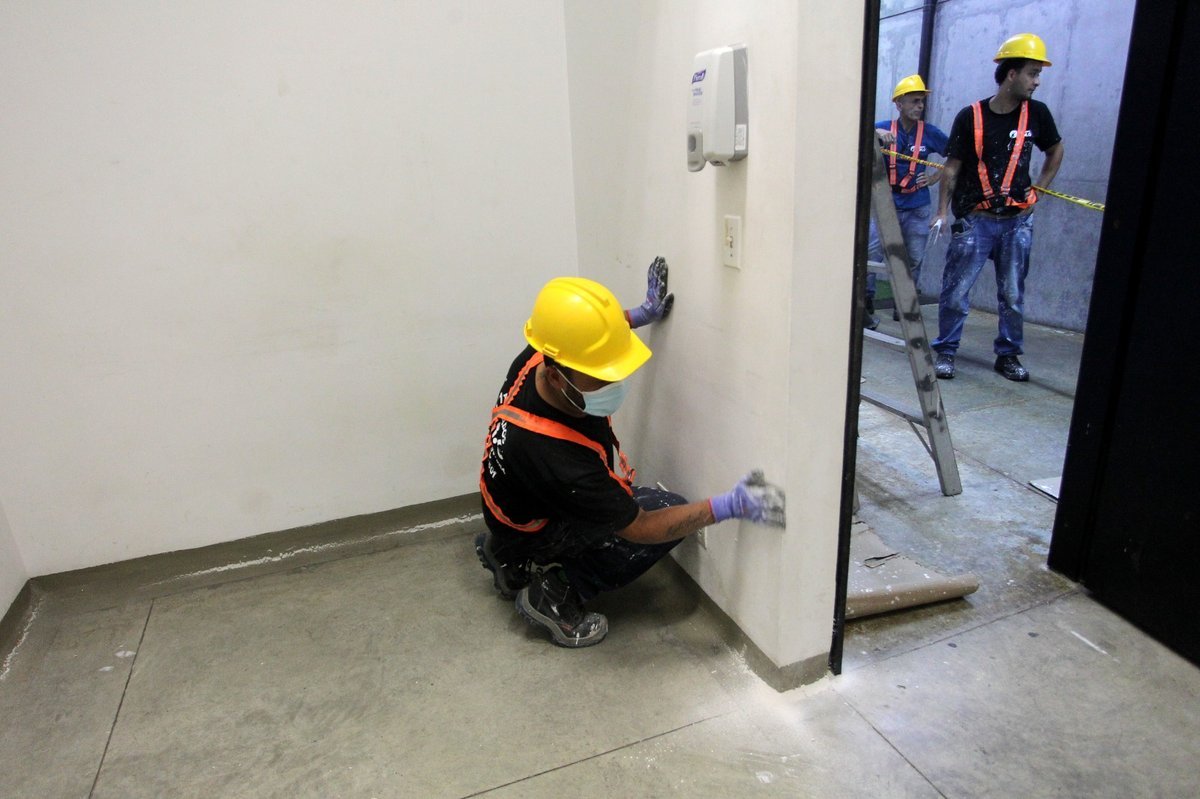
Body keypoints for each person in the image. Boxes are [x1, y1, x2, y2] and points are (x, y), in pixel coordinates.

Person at [474, 260, 786, 648]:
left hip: (509, 504)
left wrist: (638, 316)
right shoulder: (555, 456)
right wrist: (725, 506)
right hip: (534, 523)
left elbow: (583, 338)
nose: (614, 381)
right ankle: (553, 593)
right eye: (602, 375)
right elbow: (641, 528)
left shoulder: (543, 355)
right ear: (557, 376)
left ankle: (506, 553)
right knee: (664, 509)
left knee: (631, 504)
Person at [930, 33, 1065, 381]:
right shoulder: (970, 116)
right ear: (1011, 74)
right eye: (1032, 73)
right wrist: (942, 212)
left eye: (1038, 74)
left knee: (1012, 293)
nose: (1036, 81)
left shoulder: (1038, 114)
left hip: (1017, 220)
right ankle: (945, 350)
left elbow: (1055, 151)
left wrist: (1039, 193)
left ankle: (1008, 355)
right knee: (956, 290)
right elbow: (952, 168)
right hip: (976, 220)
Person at [865, 74, 950, 329]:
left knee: (913, 257)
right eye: (914, 101)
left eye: (921, 102)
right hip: (884, 203)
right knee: (872, 255)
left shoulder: (930, 134)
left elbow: (957, 157)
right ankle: (867, 300)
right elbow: (855, 134)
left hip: (917, 206)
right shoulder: (884, 128)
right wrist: (874, 133)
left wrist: (935, 177)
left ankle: (905, 305)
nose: (919, 106)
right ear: (899, 104)